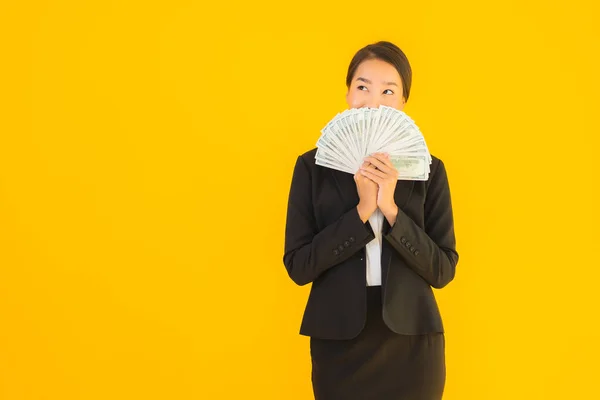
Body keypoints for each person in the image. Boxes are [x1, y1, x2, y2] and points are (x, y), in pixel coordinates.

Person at [283, 41, 459, 400]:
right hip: (338, 341)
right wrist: (362, 211)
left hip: (412, 343)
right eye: (362, 87)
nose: (374, 101)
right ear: (348, 93)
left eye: (388, 91)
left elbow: (442, 270)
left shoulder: (429, 170)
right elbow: (299, 266)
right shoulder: (312, 167)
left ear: (404, 103)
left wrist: (390, 208)